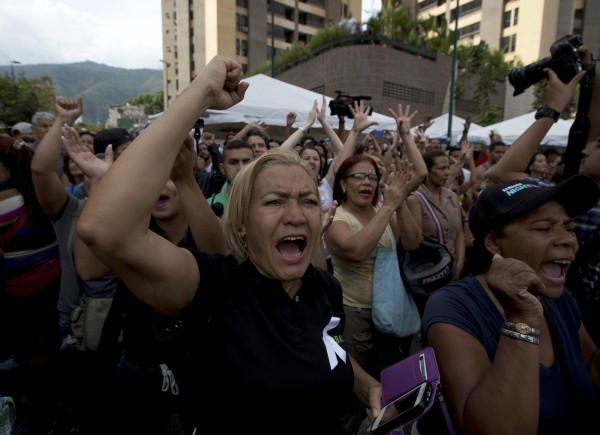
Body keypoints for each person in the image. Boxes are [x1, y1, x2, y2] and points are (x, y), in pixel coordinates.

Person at [74, 54, 382, 434]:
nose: (296, 214)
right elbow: (106, 230)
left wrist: (367, 384)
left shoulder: (326, 288)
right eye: (273, 202)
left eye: (307, 200)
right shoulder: (214, 287)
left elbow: (324, 347)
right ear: (240, 224)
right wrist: (201, 92)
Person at [423, 175, 600, 433]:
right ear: (494, 242)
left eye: (569, 228)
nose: (568, 240)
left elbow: (591, 368)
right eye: (543, 228)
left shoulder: (560, 298)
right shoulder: (453, 308)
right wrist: (521, 318)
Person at [0, 134, 61, 434]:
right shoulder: (30, 190)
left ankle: (40, 416)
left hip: (19, 291)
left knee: (31, 355)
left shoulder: (5, 198)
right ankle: (48, 411)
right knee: (42, 347)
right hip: (46, 285)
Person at [406, 149, 466, 316]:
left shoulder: (451, 197)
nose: (447, 173)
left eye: (448, 167)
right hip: (428, 274)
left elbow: (459, 234)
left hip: (452, 272)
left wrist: (459, 265)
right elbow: (416, 241)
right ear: (427, 170)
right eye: (441, 168)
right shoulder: (416, 199)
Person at [208, 139, 254, 218]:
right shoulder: (207, 206)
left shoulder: (269, 202)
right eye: (233, 162)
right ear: (222, 168)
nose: (241, 168)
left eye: (246, 162)